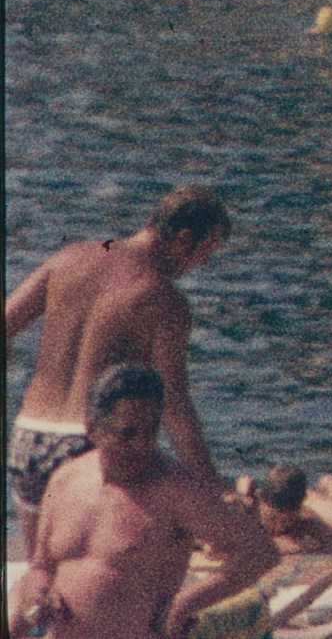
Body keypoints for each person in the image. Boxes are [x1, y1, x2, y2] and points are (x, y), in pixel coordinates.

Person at [5, 196, 228, 542]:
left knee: (44, 572)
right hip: (94, 444)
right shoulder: (163, 299)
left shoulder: (68, 258)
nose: (203, 263)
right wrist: (212, 489)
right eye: (207, 250)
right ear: (184, 237)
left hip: (29, 437)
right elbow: (174, 405)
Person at [8, 364, 267, 639]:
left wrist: (185, 603)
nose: (143, 445)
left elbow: (259, 552)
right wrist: (40, 591)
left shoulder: (174, 489)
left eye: (151, 431)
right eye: (128, 434)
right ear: (93, 430)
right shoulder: (66, 480)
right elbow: (41, 566)